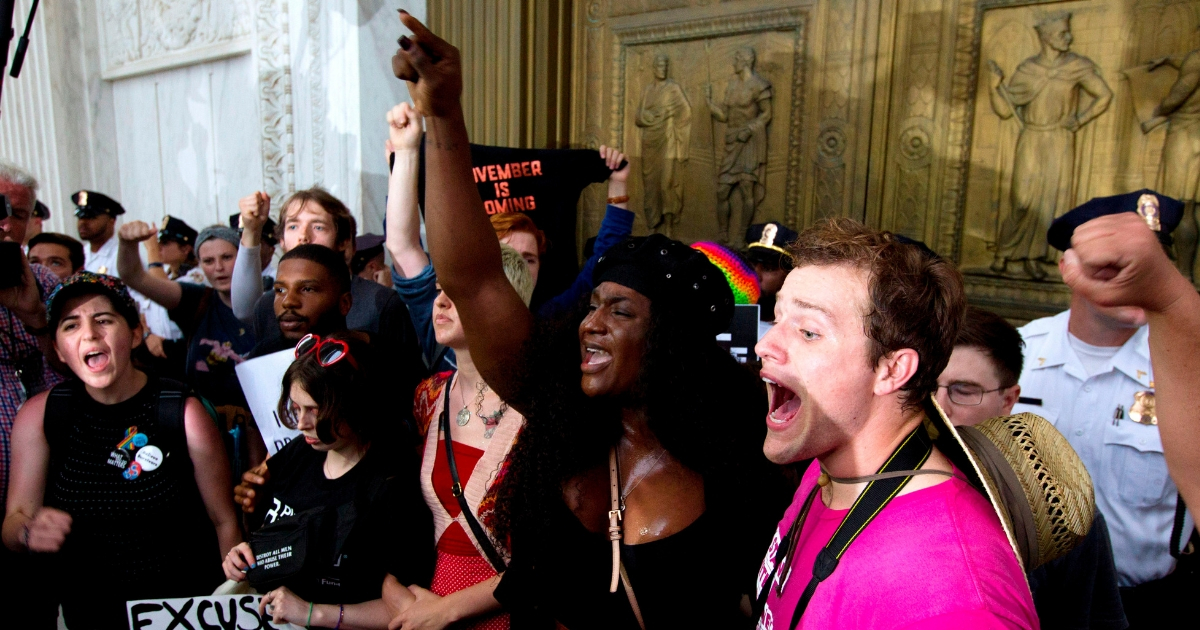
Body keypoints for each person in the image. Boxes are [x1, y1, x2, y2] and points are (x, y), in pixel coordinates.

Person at [392, 14, 790, 627]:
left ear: (673, 338)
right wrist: (444, 115)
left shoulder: (739, 458)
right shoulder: (562, 416)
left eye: (620, 310)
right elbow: (473, 281)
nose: (590, 323)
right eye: (592, 304)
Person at [748, 217, 1037, 627]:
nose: (765, 345)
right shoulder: (828, 467)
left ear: (892, 370)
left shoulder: (953, 595)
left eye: (809, 331)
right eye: (778, 319)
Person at [2, 272, 240, 629]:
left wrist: (233, 604)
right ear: (58, 351)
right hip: (88, 613)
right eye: (70, 326)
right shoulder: (40, 415)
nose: (89, 334)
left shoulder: (181, 411)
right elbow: (15, 517)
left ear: (133, 333)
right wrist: (28, 531)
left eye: (103, 320)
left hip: (180, 612)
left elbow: (224, 521)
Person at [1013, 190, 1195, 627]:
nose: (1133, 282)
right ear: (1068, 270)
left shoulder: (1185, 375)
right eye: (1113, 268)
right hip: (1027, 597)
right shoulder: (1015, 355)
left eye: (1150, 269)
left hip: (1145, 606)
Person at [384, 102, 635, 371]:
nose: (515, 268)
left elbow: (605, 259)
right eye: (504, 256)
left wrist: (618, 183)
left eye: (528, 260)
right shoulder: (446, 312)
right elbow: (402, 246)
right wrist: (406, 155)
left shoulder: (550, 319)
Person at [223, 332, 434, 629]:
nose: (301, 424)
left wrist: (312, 612)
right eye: (296, 408)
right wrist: (244, 556)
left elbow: (408, 609)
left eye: (315, 411)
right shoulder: (300, 451)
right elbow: (274, 539)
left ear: (357, 404)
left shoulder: (392, 485)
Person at [939, 306, 1128, 629]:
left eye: (963, 391)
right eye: (926, 387)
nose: (940, 406)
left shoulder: (1061, 516)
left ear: (1009, 400)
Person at [388, 243, 533, 630]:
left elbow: (558, 554)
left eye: (458, 294)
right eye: (439, 291)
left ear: (504, 304)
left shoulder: (539, 408)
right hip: (430, 605)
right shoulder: (429, 395)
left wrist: (449, 610)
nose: (440, 303)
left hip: (510, 612)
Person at [230, 187, 425, 382]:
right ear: (281, 240)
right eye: (293, 226)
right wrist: (251, 231)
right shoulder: (269, 306)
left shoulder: (380, 302)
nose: (304, 237)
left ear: (343, 241)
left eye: (318, 227)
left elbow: (406, 378)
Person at [118, 222, 264, 469]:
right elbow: (134, 276)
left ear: (244, 256)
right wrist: (126, 243)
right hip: (206, 433)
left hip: (262, 433)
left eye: (227, 257)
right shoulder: (196, 301)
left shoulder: (270, 295)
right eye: (208, 261)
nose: (218, 268)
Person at [0, 163, 64, 629]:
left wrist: (35, 317)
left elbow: (87, 373)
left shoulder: (44, 284)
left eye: (17, 213)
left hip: (43, 501)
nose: (5, 223)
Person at [72, 190, 183, 361]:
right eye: (81, 217)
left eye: (91, 217)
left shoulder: (123, 254)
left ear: (111, 220)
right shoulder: (80, 254)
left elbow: (141, 300)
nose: (83, 222)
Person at [743, 221, 797, 339]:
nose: (755, 276)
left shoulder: (797, 330)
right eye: (751, 265)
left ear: (788, 275)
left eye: (768, 268)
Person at [147, 215, 205, 284]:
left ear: (185, 249)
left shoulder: (196, 275)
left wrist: (152, 249)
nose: (158, 247)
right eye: (158, 242)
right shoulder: (167, 273)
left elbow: (163, 292)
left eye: (165, 243)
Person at [231, 210, 279, 291]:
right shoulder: (228, 281)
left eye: (254, 243)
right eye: (239, 244)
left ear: (271, 250)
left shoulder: (278, 282)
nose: (244, 250)